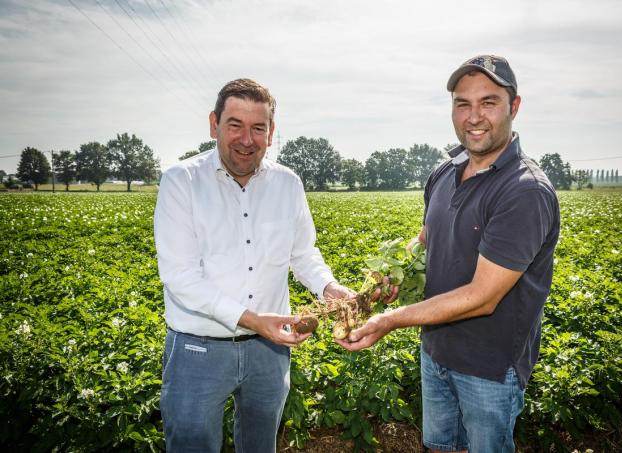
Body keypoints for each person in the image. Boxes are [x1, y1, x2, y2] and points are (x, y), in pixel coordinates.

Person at [338, 55, 560, 452]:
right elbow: (425, 239)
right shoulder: (445, 171)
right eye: (463, 103)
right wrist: (389, 278)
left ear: (515, 106)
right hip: (436, 353)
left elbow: (483, 296)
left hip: (488, 369)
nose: (474, 116)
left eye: (488, 102)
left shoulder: (523, 190)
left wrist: (390, 320)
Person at [154, 78, 353, 453]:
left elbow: (303, 253)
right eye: (235, 125)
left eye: (258, 128)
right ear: (214, 124)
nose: (247, 139)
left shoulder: (288, 183)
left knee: (261, 445)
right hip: (199, 348)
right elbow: (180, 276)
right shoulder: (182, 181)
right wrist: (252, 318)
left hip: (269, 351)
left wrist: (328, 288)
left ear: (271, 132)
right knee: (192, 445)